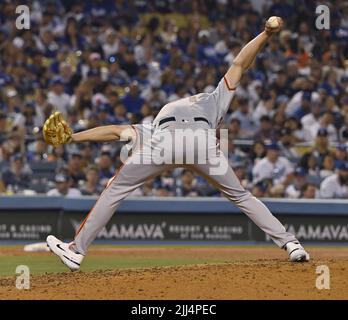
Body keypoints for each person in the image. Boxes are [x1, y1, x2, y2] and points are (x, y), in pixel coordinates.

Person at [45, 17, 310, 271]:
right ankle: (291, 244)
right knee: (242, 196)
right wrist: (265, 33)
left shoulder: (157, 120)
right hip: (202, 142)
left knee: (115, 188)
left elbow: (115, 131)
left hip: (163, 141)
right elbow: (241, 63)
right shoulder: (214, 98)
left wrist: (73, 137)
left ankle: (77, 250)